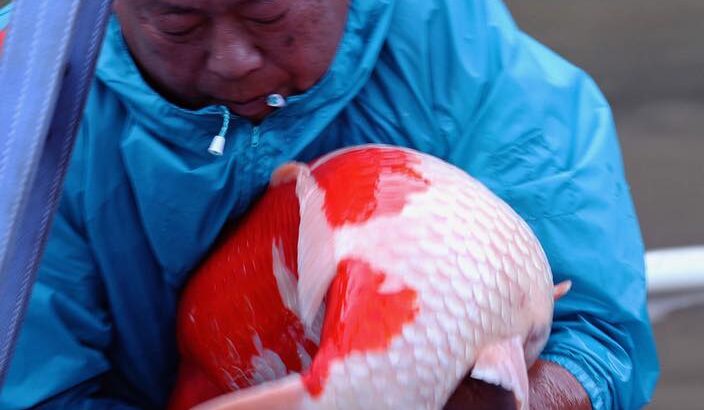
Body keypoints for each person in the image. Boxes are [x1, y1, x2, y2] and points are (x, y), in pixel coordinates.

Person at [0, 0, 658, 408]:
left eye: (265, 15)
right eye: (179, 19)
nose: (232, 60)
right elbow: (30, 389)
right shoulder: (19, 95)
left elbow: (597, 336)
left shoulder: (477, 69)